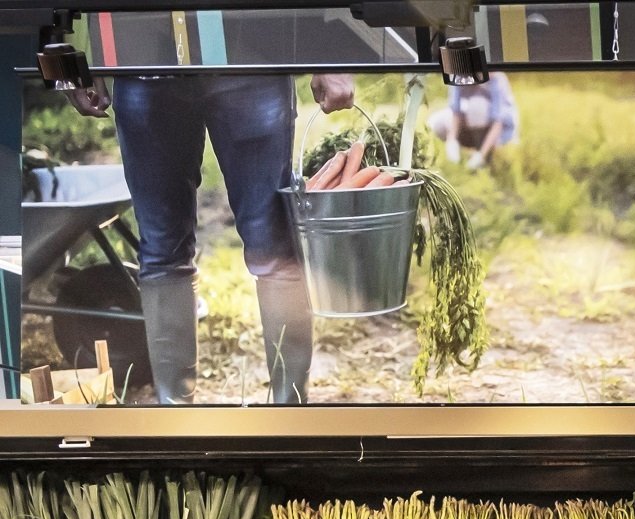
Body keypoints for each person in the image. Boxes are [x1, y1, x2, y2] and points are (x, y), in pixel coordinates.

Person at [68, 72, 356, 405]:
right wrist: (67, 69)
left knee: (274, 247)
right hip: (143, 65)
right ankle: (174, 417)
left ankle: (288, 413)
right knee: (161, 249)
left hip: (250, 56)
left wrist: (329, 61)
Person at [427, 71, 517, 170]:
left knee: (477, 107)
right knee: (436, 122)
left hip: (500, 133)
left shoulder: (496, 79)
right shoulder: (459, 74)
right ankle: (465, 154)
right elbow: (456, 110)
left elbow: (498, 122)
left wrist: (481, 155)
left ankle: (482, 154)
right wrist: (451, 140)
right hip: (470, 124)